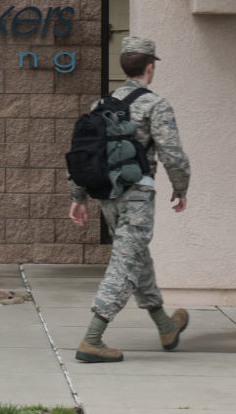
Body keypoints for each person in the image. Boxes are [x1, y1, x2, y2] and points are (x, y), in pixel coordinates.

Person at [67, 35, 193, 363]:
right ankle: (92, 339)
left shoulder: (101, 105)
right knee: (125, 264)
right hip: (137, 197)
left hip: (107, 198)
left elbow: (83, 152)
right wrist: (181, 188)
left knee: (136, 257)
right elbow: (173, 154)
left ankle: (165, 326)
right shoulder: (155, 104)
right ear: (150, 67)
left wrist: (78, 196)